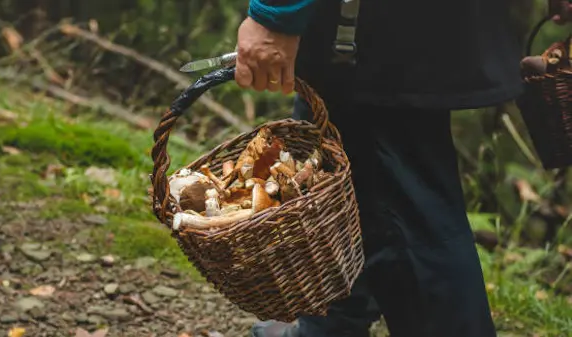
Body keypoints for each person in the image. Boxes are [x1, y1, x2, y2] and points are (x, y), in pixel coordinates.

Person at [233, 0, 572, 337]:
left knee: (404, 207)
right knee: (337, 168)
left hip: (372, 28)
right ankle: (328, 326)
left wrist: (276, 14)